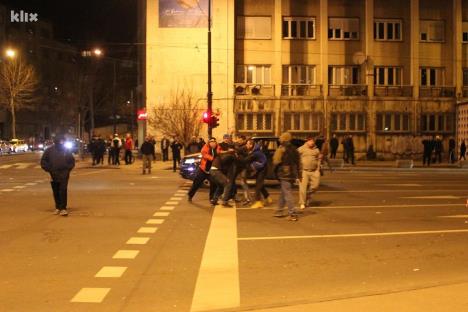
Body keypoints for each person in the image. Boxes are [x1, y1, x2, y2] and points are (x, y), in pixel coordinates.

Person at [40, 135, 75, 216]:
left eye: (62, 141)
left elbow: (71, 161)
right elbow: (43, 161)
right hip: (53, 174)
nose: (61, 143)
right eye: (60, 141)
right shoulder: (49, 150)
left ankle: (63, 208)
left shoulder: (66, 150)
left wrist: (67, 169)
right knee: (56, 191)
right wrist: (49, 169)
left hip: (64, 174)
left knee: (63, 190)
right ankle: (58, 207)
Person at [273, 132, 300, 221]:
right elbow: (298, 162)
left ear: (283, 139)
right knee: (283, 192)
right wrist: (298, 174)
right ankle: (279, 210)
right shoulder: (294, 149)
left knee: (287, 193)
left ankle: (292, 214)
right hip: (292, 173)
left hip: (284, 173)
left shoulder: (282, 148)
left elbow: (276, 161)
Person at [188, 138, 222, 202]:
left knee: (214, 183)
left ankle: (211, 198)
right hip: (203, 169)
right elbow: (204, 154)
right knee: (196, 183)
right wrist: (212, 158)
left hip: (211, 170)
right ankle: (190, 195)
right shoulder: (205, 147)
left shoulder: (218, 147)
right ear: (209, 143)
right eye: (211, 142)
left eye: (214, 142)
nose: (213, 143)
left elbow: (219, 152)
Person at [245, 139, 270, 209]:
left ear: (251, 145)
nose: (246, 145)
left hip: (263, 170)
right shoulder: (255, 151)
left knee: (258, 186)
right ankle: (267, 197)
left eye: (247, 144)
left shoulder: (256, 153)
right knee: (259, 184)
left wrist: (237, 158)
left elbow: (246, 160)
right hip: (261, 169)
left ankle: (258, 202)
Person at [298, 137, 321, 210]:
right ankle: (302, 202)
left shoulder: (316, 150)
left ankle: (308, 196)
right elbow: (295, 155)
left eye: (313, 141)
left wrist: (318, 168)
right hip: (304, 171)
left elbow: (319, 159)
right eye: (310, 141)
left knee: (315, 186)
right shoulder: (302, 148)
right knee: (303, 188)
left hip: (314, 171)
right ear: (307, 141)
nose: (312, 142)